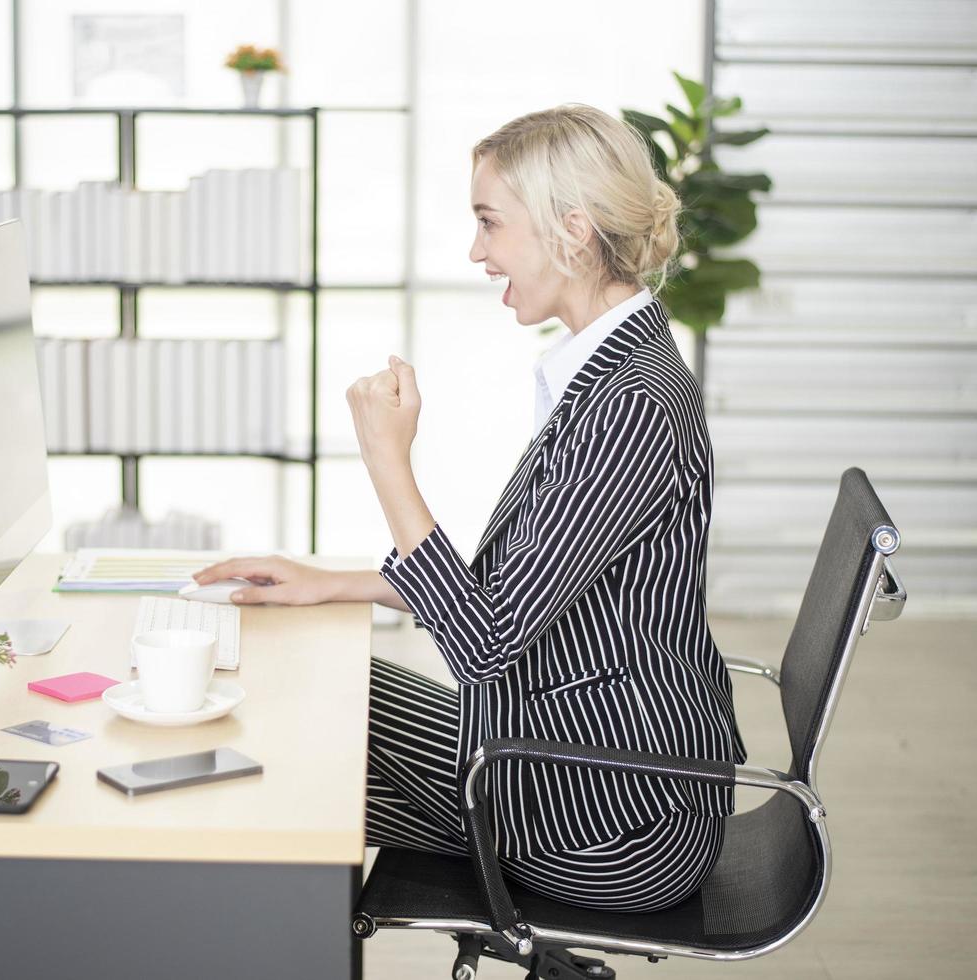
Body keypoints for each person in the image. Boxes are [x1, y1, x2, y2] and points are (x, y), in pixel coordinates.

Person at [193, 104, 746, 913]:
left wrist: (387, 461)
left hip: (618, 816)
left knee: (289, 765)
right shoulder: (617, 368)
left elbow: (484, 642)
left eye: (489, 222)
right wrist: (331, 583)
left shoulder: (632, 403)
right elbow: (512, 589)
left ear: (574, 229)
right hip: (582, 751)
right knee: (321, 700)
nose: (477, 252)